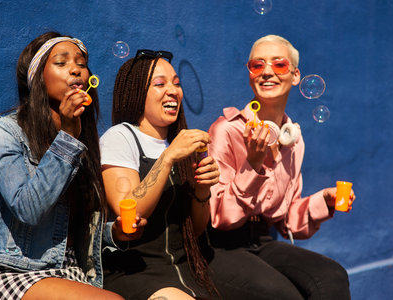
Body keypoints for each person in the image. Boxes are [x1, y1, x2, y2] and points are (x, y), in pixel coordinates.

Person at [0, 32, 143, 300]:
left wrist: (115, 234)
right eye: (61, 63)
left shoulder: (80, 139)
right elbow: (28, 209)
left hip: (72, 273)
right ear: (37, 77)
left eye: (81, 63)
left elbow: (74, 230)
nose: (75, 69)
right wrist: (66, 140)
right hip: (15, 275)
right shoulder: (4, 132)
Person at [207, 34, 355, 299]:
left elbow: (287, 220)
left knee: (333, 276)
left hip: (261, 240)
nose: (267, 72)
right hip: (219, 247)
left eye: (279, 65)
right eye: (257, 65)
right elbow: (218, 217)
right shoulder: (226, 131)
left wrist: (325, 201)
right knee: (284, 295)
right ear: (249, 73)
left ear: (296, 76)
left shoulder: (292, 140)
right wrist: (252, 166)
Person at [99, 50, 222, 299]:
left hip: (185, 271)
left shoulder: (182, 144)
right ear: (136, 92)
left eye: (177, 84)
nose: (173, 91)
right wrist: (167, 158)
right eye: (160, 84)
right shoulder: (120, 137)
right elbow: (129, 210)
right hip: (135, 271)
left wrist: (202, 190)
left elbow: (196, 230)